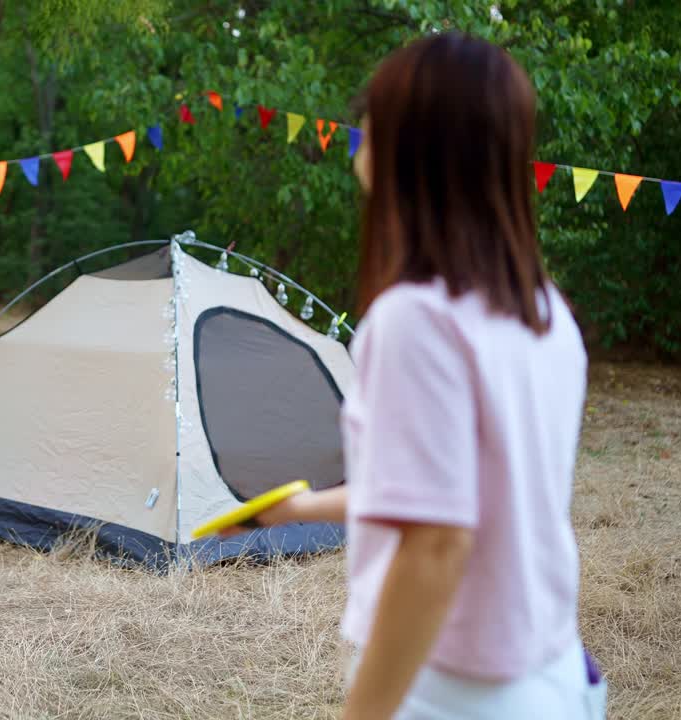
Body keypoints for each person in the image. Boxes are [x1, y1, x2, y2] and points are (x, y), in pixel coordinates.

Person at [223, 33, 603, 719]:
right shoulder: (548, 314)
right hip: (554, 679)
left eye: (372, 122)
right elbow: (463, 491)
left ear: (412, 145)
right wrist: (302, 509)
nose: (358, 143)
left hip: (451, 689)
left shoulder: (416, 320)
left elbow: (437, 542)